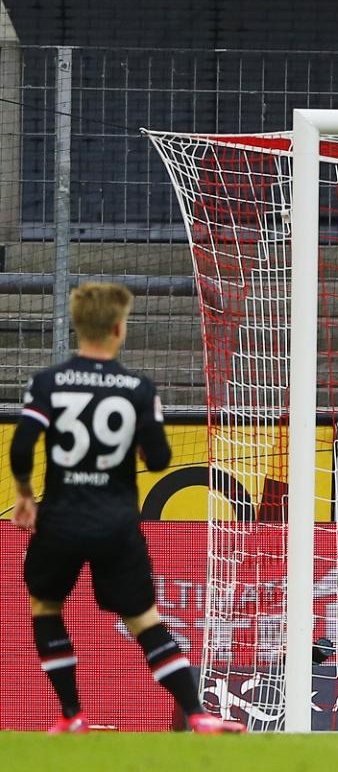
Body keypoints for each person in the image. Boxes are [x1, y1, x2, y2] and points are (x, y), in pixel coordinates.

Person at [10, 282, 244, 734]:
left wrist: (23, 493)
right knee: (144, 620)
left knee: (46, 607)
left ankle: (72, 715)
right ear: (119, 329)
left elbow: (22, 448)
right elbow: (158, 460)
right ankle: (196, 713)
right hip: (116, 524)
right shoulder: (138, 388)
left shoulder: (48, 383)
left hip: (60, 519)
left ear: (78, 327)